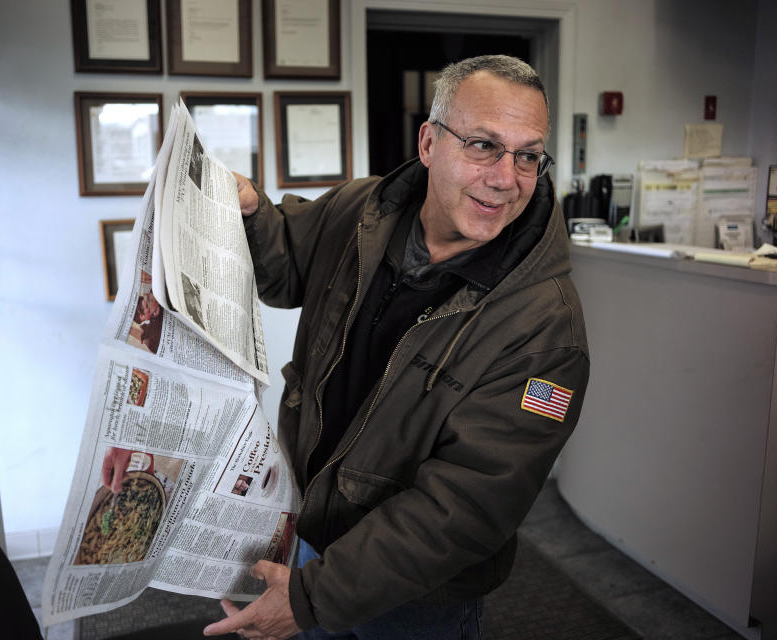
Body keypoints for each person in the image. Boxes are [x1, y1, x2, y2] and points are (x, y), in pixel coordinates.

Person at [204, 55, 590, 640]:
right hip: (311, 534)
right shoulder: (364, 210)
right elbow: (287, 255)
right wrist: (254, 210)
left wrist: (315, 598)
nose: (507, 177)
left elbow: (465, 507)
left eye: (528, 155)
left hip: (418, 597)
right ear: (429, 142)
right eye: (483, 144)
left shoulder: (545, 328)